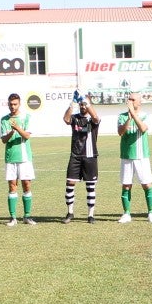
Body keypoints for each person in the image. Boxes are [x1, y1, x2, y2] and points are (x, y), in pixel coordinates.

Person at [116, 93, 152, 223]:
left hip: (141, 156)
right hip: (126, 156)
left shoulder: (145, 115)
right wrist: (128, 118)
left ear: (139, 102)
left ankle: (150, 213)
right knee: (126, 185)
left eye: (133, 99)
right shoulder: (122, 116)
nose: (130, 101)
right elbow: (121, 132)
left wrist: (133, 114)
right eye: (129, 99)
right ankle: (126, 213)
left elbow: (143, 128)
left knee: (146, 184)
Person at [62, 92, 101, 223]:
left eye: (85, 104)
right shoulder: (75, 118)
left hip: (90, 156)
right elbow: (66, 119)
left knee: (90, 186)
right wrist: (72, 103)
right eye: (81, 104)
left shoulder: (93, 119)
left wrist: (86, 101)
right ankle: (70, 213)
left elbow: (95, 117)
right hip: (75, 155)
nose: (83, 106)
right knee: (70, 184)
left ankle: (90, 215)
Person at [0, 92, 37, 225]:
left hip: (25, 157)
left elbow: (27, 136)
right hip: (10, 157)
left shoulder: (26, 117)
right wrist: (10, 132)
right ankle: (13, 217)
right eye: (10, 104)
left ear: (19, 104)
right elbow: (3, 140)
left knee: (26, 184)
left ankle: (27, 216)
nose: (12, 107)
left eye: (15, 104)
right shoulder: (4, 119)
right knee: (12, 186)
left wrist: (17, 128)